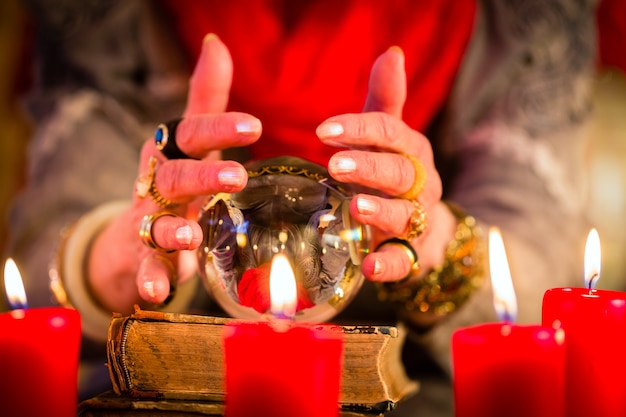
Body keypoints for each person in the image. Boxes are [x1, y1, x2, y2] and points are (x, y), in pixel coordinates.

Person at [5, 0, 596, 415]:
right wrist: (116, 256)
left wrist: (434, 242)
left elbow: (545, 278)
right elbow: (35, 258)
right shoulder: (112, 16)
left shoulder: (521, 16)